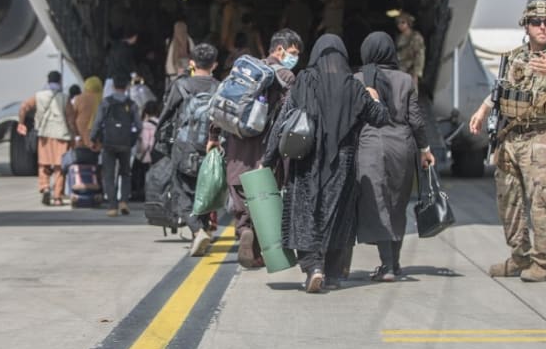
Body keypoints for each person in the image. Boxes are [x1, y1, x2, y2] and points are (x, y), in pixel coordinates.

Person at [262, 34, 388, 293]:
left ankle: (312, 267)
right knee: (337, 217)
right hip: (342, 163)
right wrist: (374, 97)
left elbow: (283, 121)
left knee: (305, 214)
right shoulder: (354, 87)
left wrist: (269, 158)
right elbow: (380, 118)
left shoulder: (305, 81)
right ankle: (331, 273)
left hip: (307, 160)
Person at [469, 0, 546, 283]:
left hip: (543, 139)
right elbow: (501, 89)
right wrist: (483, 110)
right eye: (536, 22)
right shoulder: (516, 57)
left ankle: (543, 264)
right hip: (511, 140)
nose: (542, 27)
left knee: (543, 203)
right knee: (510, 202)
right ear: (526, 26)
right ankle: (519, 257)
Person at [210, 29, 303, 269]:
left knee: (240, 194)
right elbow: (287, 118)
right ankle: (255, 243)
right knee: (263, 198)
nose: (295, 57)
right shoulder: (286, 77)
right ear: (280, 49)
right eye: (293, 52)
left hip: (236, 148)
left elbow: (223, 103)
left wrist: (213, 136)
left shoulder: (244, 70)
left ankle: (243, 231)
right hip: (264, 151)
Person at [354, 32, 436, 281]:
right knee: (397, 204)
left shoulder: (358, 79)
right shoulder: (405, 80)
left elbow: (353, 117)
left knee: (377, 204)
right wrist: (425, 148)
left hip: (370, 144)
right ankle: (395, 264)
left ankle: (387, 266)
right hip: (402, 145)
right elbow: (416, 119)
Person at [155, 43, 220, 256]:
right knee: (205, 191)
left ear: (191, 63)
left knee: (181, 191)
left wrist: (160, 140)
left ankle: (197, 229)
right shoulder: (219, 88)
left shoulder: (181, 86)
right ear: (215, 65)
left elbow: (166, 115)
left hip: (183, 147)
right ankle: (200, 232)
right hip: (211, 148)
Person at [18, 70, 75, 206]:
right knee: (59, 168)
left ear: (48, 81)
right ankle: (57, 198)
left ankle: (45, 188)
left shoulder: (39, 96)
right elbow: (71, 118)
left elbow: (23, 107)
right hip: (61, 135)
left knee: (43, 164)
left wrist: (21, 123)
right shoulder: (64, 98)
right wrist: (74, 134)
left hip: (44, 135)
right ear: (60, 81)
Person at [91, 73, 142, 217]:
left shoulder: (106, 103)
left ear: (113, 86)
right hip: (125, 143)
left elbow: (97, 122)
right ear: (127, 86)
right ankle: (124, 202)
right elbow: (139, 126)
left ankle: (112, 206)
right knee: (125, 173)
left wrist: (93, 138)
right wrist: (132, 138)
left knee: (109, 174)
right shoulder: (131, 104)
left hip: (109, 143)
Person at [132, 99, 160, 201]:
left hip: (147, 156)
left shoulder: (145, 125)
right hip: (159, 155)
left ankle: (141, 194)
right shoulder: (161, 122)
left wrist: (140, 156)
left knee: (141, 176)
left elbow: (145, 143)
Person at [67, 76, 103, 148]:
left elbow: (71, 119)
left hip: (81, 139)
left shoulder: (79, 98)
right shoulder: (103, 100)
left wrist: (76, 135)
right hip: (97, 141)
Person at [395, 11, 425, 86]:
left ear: (408, 23)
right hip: (400, 69)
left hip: (411, 70)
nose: (400, 25)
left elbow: (420, 55)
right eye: (398, 23)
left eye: (403, 22)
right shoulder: (399, 38)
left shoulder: (415, 37)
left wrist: (416, 73)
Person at [104, 31, 138, 97]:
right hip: (119, 80)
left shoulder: (115, 46)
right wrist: (134, 74)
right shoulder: (125, 49)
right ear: (133, 37)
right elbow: (127, 63)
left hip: (110, 78)